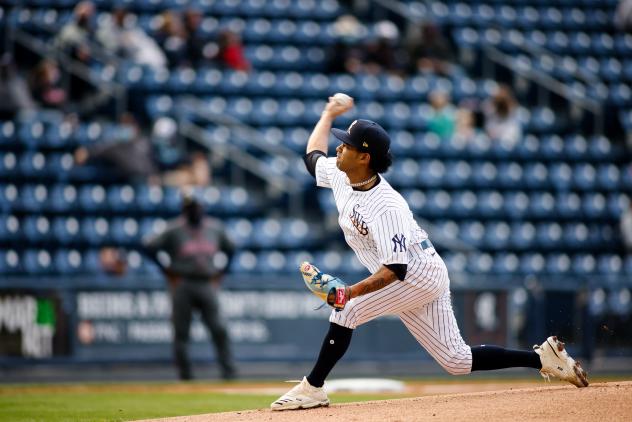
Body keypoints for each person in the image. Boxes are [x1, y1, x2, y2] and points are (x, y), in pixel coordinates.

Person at [270, 96, 589, 411]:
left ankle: (313, 388)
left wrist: (348, 293)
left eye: (346, 144)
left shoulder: (386, 206)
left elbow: (396, 269)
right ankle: (542, 358)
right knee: (457, 361)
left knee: (347, 310)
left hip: (416, 275)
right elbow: (311, 157)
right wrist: (327, 114)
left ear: (364, 157)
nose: (338, 147)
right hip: (420, 272)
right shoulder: (342, 174)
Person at [143, 191, 236, 381]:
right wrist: (166, 270)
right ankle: (185, 376)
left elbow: (232, 249)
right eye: (191, 207)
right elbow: (148, 246)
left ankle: (229, 373)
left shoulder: (214, 228)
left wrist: (222, 272)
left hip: (206, 282)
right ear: (184, 209)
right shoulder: (173, 229)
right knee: (181, 332)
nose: (195, 210)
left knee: (219, 328)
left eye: (197, 206)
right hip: (183, 283)